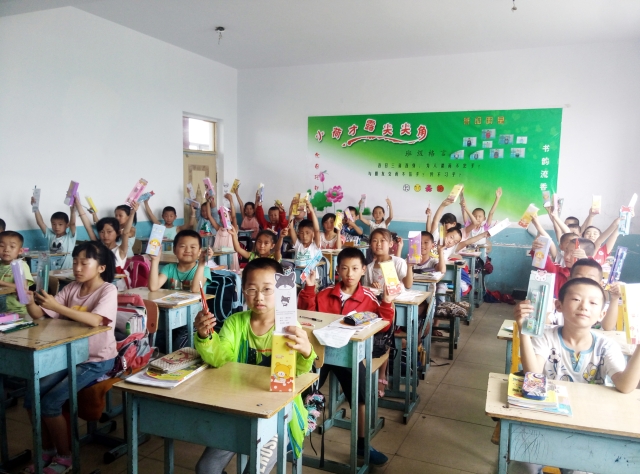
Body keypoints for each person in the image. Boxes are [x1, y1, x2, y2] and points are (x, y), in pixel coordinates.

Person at [193, 258, 316, 474]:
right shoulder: (235, 322)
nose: (259, 297)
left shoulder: (288, 326)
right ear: (243, 291)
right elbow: (220, 359)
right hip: (238, 408)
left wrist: (307, 351)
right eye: (252, 289)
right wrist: (205, 337)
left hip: (278, 416)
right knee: (205, 468)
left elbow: (298, 371)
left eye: (267, 289)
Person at [509, 278, 640, 474]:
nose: (584, 306)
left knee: (582, 471)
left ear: (602, 314)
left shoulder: (606, 346)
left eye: (593, 302)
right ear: (559, 306)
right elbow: (533, 375)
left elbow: (625, 386)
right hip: (544, 425)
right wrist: (524, 330)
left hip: (587, 429)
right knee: (522, 466)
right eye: (576, 299)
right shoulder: (546, 336)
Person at [23, 241, 118, 474]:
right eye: (75, 262)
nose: (77, 267)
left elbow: (95, 320)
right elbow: (40, 315)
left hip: (95, 360)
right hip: (67, 356)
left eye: (84, 263)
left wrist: (57, 306)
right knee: (31, 397)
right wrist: (29, 300)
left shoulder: (108, 290)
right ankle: (47, 451)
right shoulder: (72, 288)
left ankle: (65, 457)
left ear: (101, 268)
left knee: (50, 402)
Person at [298, 247, 396, 466]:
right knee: (304, 387)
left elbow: (383, 325)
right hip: (320, 352)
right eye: (344, 268)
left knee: (361, 395)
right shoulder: (325, 293)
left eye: (354, 268)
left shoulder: (369, 298)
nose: (349, 273)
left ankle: (362, 443)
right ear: (337, 270)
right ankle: (295, 435)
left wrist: (387, 302)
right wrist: (309, 288)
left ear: (363, 270)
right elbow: (307, 314)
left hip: (350, 356)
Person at [76, 199, 136, 285]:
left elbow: (126, 233)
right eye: (102, 232)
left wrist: (132, 213)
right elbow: (88, 227)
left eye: (109, 232)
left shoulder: (121, 250)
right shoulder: (98, 248)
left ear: (118, 233)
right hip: (99, 285)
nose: (105, 235)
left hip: (117, 287)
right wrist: (78, 204)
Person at [31, 195, 77, 270]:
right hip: (53, 269)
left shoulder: (70, 237)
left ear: (67, 225)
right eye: (54, 224)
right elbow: (40, 223)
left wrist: (72, 211)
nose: (57, 227)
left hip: (67, 269)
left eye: (60, 224)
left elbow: (73, 224)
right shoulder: (50, 235)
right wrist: (35, 207)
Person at [0, 231, 33, 315]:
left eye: (12, 247)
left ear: (20, 251)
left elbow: (23, 288)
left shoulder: (21, 266)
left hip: (16, 311)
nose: (6, 250)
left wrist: (1, 283)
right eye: (2, 246)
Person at [289, 201, 321, 267]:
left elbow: (317, 230)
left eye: (307, 233)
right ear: (298, 233)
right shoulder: (298, 245)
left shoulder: (315, 246)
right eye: (301, 233)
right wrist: (291, 211)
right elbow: (291, 228)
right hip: (298, 273)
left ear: (313, 234)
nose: (304, 236)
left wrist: (312, 211)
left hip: (311, 273)